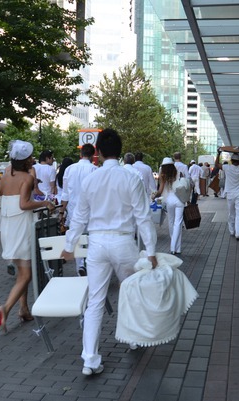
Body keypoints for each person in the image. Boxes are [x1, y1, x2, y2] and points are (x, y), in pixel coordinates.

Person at [60, 128, 157, 376]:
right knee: (130, 292)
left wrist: (69, 245)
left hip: (97, 244)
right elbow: (143, 218)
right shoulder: (131, 178)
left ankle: (90, 360)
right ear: (121, 151)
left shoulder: (90, 180)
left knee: (95, 301)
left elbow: (79, 217)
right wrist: (151, 249)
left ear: (99, 152)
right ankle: (134, 338)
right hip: (124, 242)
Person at [0, 140, 56, 333]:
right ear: (25, 160)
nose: (33, 159)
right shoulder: (27, 178)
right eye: (30, 157)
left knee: (21, 271)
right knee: (26, 275)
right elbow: (24, 204)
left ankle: (24, 309)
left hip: (7, 226)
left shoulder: (5, 176)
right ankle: (6, 308)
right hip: (21, 225)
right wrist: (45, 203)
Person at [62, 143, 97, 276]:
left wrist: (62, 211)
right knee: (90, 239)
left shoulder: (69, 169)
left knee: (76, 237)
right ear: (93, 155)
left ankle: (80, 266)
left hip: (73, 209)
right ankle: (89, 264)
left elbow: (65, 193)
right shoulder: (94, 170)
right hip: (90, 210)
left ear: (80, 154)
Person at [152, 157, 188, 255]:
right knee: (178, 223)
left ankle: (176, 247)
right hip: (179, 199)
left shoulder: (163, 175)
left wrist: (154, 196)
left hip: (169, 200)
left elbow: (160, 191)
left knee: (171, 222)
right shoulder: (178, 173)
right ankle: (175, 247)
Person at [56, 157, 75, 233]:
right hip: (69, 201)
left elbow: (55, 189)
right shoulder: (71, 174)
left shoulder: (58, 176)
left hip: (60, 200)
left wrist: (61, 212)